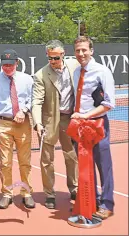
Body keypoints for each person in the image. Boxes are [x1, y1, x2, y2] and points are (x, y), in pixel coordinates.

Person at [71, 36, 115, 220]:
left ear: (92, 50)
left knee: (103, 165)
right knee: (84, 165)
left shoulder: (102, 72)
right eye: (78, 50)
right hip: (79, 127)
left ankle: (107, 203)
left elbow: (108, 103)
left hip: (97, 125)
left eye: (84, 50)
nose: (81, 54)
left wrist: (86, 116)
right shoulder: (75, 72)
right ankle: (91, 200)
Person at [31, 40, 79, 209]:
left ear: (63, 54)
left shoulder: (75, 65)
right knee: (47, 160)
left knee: (72, 156)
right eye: (50, 58)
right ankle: (49, 194)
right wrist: (37, 122)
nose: (53, 61)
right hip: (49, 122)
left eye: (56, 58)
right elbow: (36, 101)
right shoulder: (40, 75)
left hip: (70, 120)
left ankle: (74, 188)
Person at [0, 49, 35, 209]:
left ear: (17, 63)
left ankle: (26, 193)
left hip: (23, 124)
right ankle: (7, 194)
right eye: (4, 65)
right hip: (3, 124)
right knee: (5, 163)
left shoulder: (27, 80)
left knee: (25, 162)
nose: (7, 67)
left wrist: (24, 111)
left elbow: (32, 99)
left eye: (10, 64)